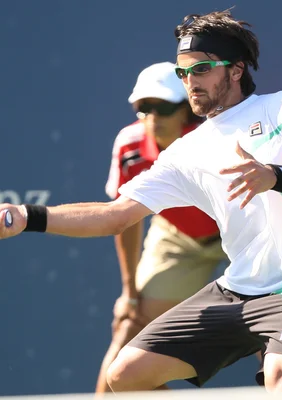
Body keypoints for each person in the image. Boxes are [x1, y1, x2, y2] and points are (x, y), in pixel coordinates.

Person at [0, 9, 282, 393]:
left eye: (201, 69)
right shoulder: (186, 152)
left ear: (236, 70)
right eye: (182, 73)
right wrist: (28, 215)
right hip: (239, 288)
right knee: (125, 375)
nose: (190, 82)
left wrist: (276, 176)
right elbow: (114, 215)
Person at [96, 61, 226, 394]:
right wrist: (130, 292)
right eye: (144, 108)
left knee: (271, 337)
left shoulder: (216, 138)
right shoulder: (129, 147)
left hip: (241, 236)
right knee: (128, 329)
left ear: (186, 109)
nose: (153, 117)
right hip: (177, 239)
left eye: (164, 107)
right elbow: (124, 219)